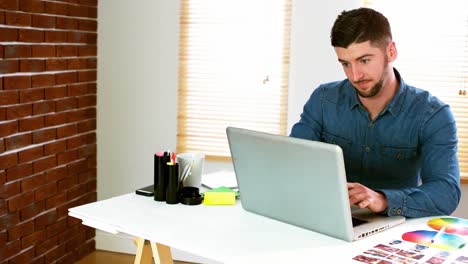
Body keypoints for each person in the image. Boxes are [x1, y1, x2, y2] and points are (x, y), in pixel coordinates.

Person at [290, 7, 461, 218]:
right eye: (345, 64)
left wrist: (383, 199)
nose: (355, 75)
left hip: (393, 225)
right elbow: (294, 160)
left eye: (364, 60)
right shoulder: (324, 99)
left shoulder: (433, 115)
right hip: (329, 217)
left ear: (391, 52)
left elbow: (446, 192)